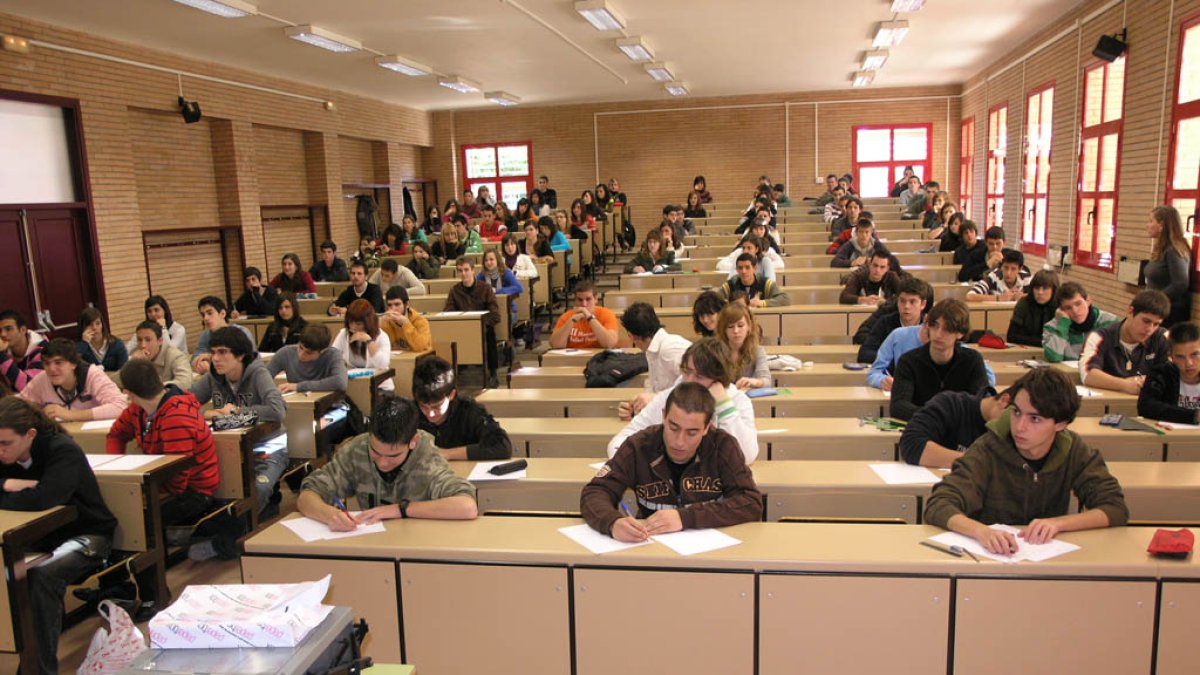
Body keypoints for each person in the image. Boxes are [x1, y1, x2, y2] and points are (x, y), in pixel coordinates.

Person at [924, 369, 1129, 555]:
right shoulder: (988, 448)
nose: (1020, 427)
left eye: (1035, 419)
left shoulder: (1074, 450)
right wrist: (982, 532)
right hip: (991, 559)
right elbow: (939, 504)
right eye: (1016, 412)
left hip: (1047, 557)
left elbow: (1115, 508)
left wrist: (1059, 524)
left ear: (1060, 424)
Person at [0, 397, 116, 674]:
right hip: (35, 538)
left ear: (30, 435)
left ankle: (40, 669)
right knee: (7, 575)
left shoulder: (62, 450)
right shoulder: (7, 454)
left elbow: (46, 499)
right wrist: (7, 483)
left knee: (41, 576)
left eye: (5, 444)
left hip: (88, 536)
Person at [584, 381, 763, 542]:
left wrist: (685, 517)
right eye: (673, 427)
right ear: (663, 416)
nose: (679, 442)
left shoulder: (723, 446)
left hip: (709, 551)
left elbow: (751, 502)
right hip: (650, 547)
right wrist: (612, 522)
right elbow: (596, 491)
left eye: (692, 432)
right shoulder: (638, 446)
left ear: (707, 427)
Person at [297, 393, 478, 531]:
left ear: (413, 441)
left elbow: (467, 506)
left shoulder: (427, 458)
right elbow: (308, 494)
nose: (382, 463)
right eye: (375, 452)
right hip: (372, 548)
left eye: (393, 456)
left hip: (419, 546)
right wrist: (329, 515)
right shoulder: (357, 449)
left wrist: (401, 510)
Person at [188, 325, 286, 552]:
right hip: (229, 451)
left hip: (268, 447)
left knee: (257, 490)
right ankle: (212, 533)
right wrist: (208, 414)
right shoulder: (213, 377)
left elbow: (277, 410)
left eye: (222, 352)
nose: (216, 359)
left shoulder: (258, 373)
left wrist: (238, 412)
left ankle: (226, 544)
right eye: (213, 352)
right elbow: (184, 405)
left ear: (240, 355)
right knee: (210, 490)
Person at [108, 358, 219, 541]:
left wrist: (143, 496)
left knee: (127, 520)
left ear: (128, 393)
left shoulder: (177, 416)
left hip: (194, 493)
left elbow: (178, 479)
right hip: (161, 483)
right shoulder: (137, 409)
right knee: (118, 510)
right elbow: (116, 435)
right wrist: (118, 470)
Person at [609, 339, 758, 464]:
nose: (689, 381)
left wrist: (724, 406)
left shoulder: (738, 401)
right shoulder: (670, 397)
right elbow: (618, 444)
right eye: (687, 372)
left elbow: (747, 456)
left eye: (700, 376)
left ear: (718, 380)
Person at [890, 299, 989, 421]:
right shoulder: (909, 361)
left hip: (959, 431)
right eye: (935, 326)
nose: (938, 334)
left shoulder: (972, 360)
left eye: (947, 329)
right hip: (922, 427)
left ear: (960, 333)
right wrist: (938, 416)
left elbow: (981, 403)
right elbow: (898, 406)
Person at [411, 354, 512, 460]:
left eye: (437, 407)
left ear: (452, 394)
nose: (430, 414)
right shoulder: (409, 413)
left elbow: (502, 446)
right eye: (423, 406)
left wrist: (446, 454)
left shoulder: (469, 411)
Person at [1079, 289, 1170, 394]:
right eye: (1146, 321)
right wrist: (1125, 385)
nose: (1150, 329)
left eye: (1156, 324)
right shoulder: (1099, 337)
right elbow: (1088, 375)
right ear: (1130, 312)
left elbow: (1174, 375)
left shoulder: (1162, 337)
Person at [899, 387, 1010, 468]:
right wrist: (977, 462)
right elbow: (911, 445)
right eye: (1016, 414)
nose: (1020, 426)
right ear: (1004, 401)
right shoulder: (951, 404)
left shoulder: (1018, 435)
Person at [20, 338, 127, 421]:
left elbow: (120, 406)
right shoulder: (42, 378)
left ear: (74, 363)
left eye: (58, 363)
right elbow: (18, 406)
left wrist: (70, 414)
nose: (51, 369)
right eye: (47, 363)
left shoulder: (92, 375)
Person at [620, 303, 692, 408]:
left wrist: (655, 398)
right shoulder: (652, 350)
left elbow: (693, 389)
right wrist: (638, 405)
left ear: (632, 336)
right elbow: (654, 388)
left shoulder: (670, 349)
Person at [445, 257, 502, 388]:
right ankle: (456, 371)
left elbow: (495, 315)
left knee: (490, 334)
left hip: (483, 327)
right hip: (463, 328)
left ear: (473, 271)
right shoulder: (455, 291)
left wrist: (479, 323)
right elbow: (448, 312)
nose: (463, 274)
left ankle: (493, 373)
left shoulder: (485, 288)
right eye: (460, 271)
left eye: (466, 270)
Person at [856, 276, 932, 364]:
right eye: (902, 301)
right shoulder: (885, 322)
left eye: (912, 302)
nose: (906, 306)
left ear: (923, 304)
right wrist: (898, 361)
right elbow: (864, 354)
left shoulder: (930, 326)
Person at [1139, 321, 1200, 424]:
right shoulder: (1161, 373)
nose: (1189, 363)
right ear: (1171, 356)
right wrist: (1194, 416)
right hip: (1169, 437)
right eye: (1180, 357)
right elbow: (1146, 407)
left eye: (1195, 355)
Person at [1043, 282, 1120, 362]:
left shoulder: (1110, 322)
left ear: (1088, 301)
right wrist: (1064, 324)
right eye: (1068, 308)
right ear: (1061, 310)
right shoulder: (1052, 326)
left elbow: (1115, 359)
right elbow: (1054, 357)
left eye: (1078, 304)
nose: (1075, 311)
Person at [1144, 205, 1192, 327]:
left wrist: (1155, 300)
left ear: (1161, 225)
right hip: (1154, 308)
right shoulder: (1161, 248)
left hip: (1168, 313)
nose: (1147, 225)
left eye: (1151, 221)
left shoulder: (1174, 250)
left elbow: (1180, 283)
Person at [266, 323, 347, 394]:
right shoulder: (285, 353)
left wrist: (298, 386)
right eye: (300, 347)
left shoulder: (333, 355)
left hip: (326, 405)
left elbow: (340, 382)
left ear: (322, 351)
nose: (301, 354)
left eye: (309, 353)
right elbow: (263, 377)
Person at [332, 300, 394, 391]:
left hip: (379, 387)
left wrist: (369, 341)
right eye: (350, 323)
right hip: (353, 386)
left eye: (358, 324)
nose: (353, 327)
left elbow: (383, 365)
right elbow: (333, 357)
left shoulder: (381, 336)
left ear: (368, 323)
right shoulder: (344, 335)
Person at [191, 296, 255, 374]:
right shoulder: (205, 335)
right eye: (203, 315)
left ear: (222, 313)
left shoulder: (241, 332)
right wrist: (201, 364)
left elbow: (249, 359)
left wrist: (210, 358)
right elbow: (195, 358)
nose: (206, 318)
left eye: (210, 313)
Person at [551, 280, 619, 349]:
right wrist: (571, 321)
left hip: (599, 358)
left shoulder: (606, 314)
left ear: (596, 299)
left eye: (588, 299)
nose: (584, 304)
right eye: (580, 300)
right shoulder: (567, 317)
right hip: (573, 358)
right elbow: (556, 345)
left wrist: (590, 317)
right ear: (575, 301)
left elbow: (609, 344)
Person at [717, 303, 769, 390]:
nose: (736, 331)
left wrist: (753, 381)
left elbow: (766, 380)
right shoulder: (715, 351)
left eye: (740, 325)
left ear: (749, 327)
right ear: (724, 330)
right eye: (730, 327)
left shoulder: (758, 351)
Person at [128, 319, 193, 389]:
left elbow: (185, 382)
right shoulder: (138, 358)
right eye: (139, 340)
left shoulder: (175, 355)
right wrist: (132, 364)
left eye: (148, 340)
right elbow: (118, 383)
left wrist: (156, 387)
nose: (143, 345)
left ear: (160, 341)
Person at [1006, 270, 1059, 346]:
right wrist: (1044, 342)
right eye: (1037, 288)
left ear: (1053, 290)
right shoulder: (1024, 303)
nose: (1040, 292)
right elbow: (1011, 336)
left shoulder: (1060, 306)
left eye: (1045, 288)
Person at [718, 254, 791, 308]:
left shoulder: (765, 283)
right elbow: (715, 301)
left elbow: (785, 299)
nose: (743, 271)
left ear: (754, 269)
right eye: (740, 268)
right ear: (736, 270)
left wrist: (762, 303)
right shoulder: (730, 285)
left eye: (747, 267)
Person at [0, 309, 45, 392]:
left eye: (8, 329)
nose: (3, 334)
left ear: (23, 330)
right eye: (0, 330)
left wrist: (1, 356)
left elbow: (29, 388)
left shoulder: (44, 351)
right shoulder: (5, 349)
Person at [381, 286, 433, 353]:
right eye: (389, 305)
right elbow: (388, 348)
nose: (393, 309)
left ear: (407, 304)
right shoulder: (386, 321)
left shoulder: (421, 321)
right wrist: (383, 325)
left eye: (397, 304)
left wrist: (406, 324)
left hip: (421, 359)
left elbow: (420, 347)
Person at [966, 249, 1031, 302]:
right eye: (1006, 267)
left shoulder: (1025, 277)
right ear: (1002, 266)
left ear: (1020, 269)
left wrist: (1023, 297)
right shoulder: (994, 277)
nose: (1008, 273)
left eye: (1013, 269)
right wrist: (998, 298)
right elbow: (969, 296)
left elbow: (1036, 296)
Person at [77, 306, 128, 372]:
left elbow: (125, 369)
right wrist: (84, 344)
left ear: (102, 325)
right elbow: (74, 366)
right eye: (90, 324)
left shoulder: (116, 344)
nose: (94, 328)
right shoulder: (79, 347)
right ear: (83, 327)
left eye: (98, 323)